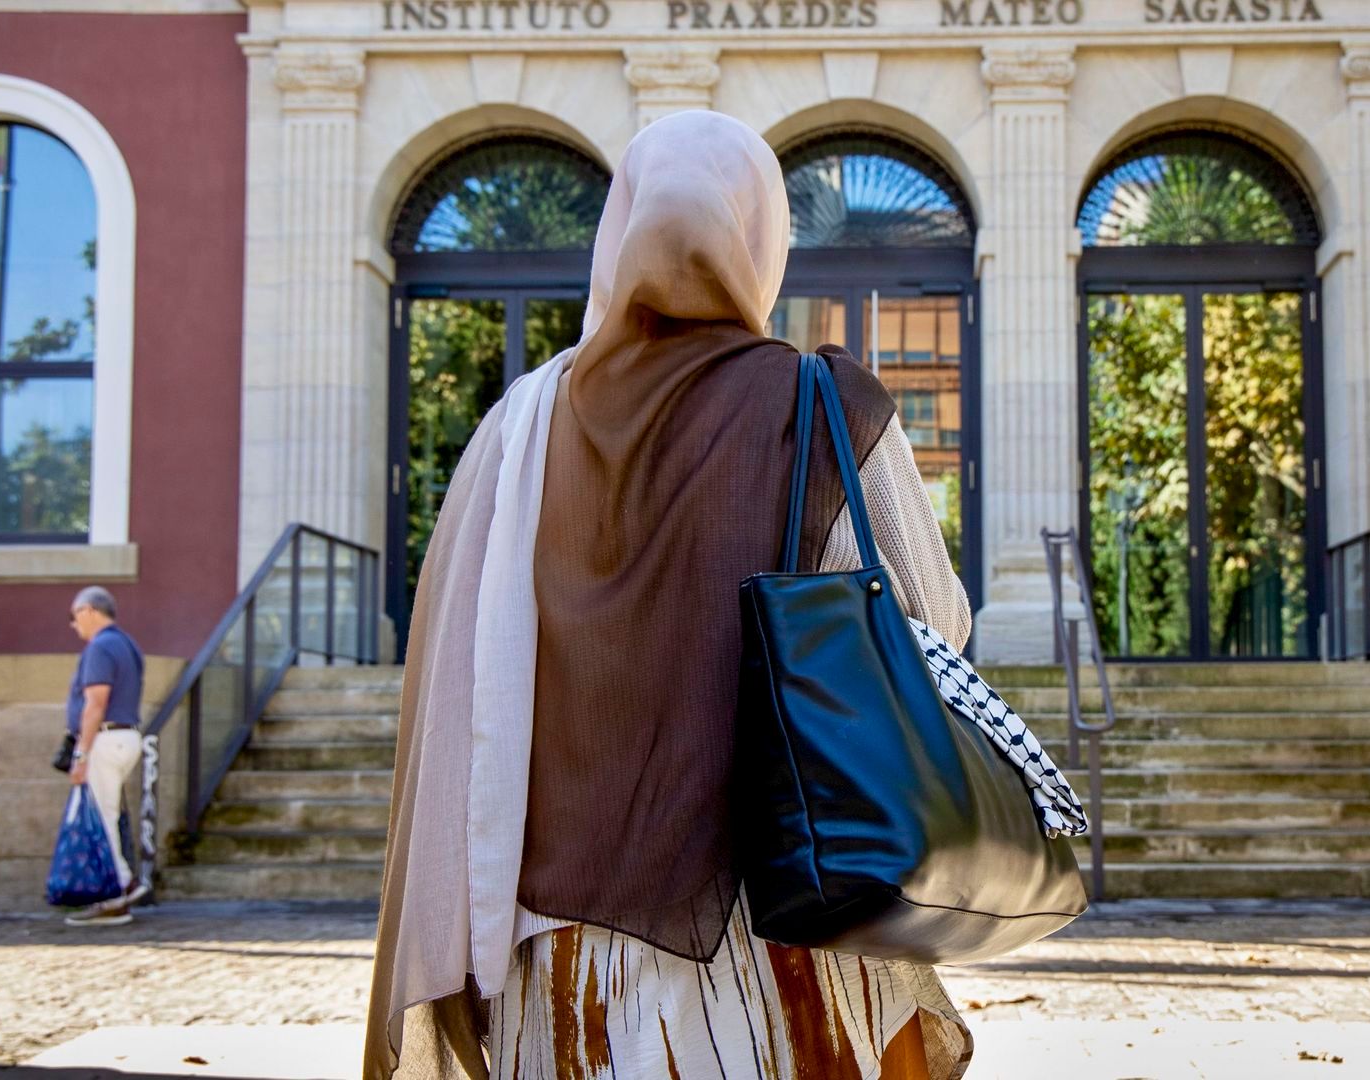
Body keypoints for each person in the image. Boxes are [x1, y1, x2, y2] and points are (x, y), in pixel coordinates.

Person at [365, 110, 976, 1079]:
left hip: (555, 950)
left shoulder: (518, 426)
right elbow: (930, 626)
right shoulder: (825, 405)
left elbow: (461, 673)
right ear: (762, 238)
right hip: (785, 927)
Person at [62, 585, 148, 927]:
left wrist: (81, 754)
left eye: (75, 616)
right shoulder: (128, 644)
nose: (73, 625)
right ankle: (123, 883)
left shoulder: (100, 647)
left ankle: (115, 895)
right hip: (125, 737)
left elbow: (95, 703)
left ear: (89, 611)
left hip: (105, 739)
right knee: (107, 814)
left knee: (100, 819)